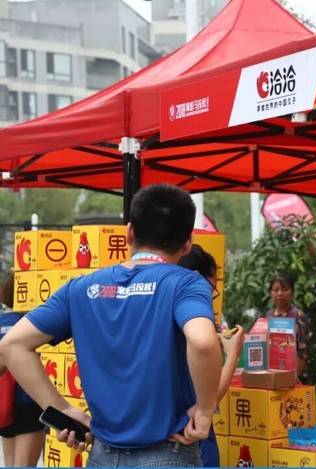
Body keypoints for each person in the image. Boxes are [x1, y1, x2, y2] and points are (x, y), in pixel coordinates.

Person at [0, 184, 222, 467]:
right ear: (188, 243)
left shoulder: (80, 288)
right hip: (169, 453)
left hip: (101, 455)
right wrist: (205, 410)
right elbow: (202, 341)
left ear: (129, 232)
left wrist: (61, 408)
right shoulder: (185, 284)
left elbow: (12, 345)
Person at [178, 244, 244, 467]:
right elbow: (211, 396)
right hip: (191, 439)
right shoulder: (197, 327)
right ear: (197, 280)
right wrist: (232, 355)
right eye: (212, 288)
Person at [0, 273, 45, 467]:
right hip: (29, 399)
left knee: (10, 464)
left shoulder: (1, 321)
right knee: (25, 465)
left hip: (3, 401)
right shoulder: (35, 323)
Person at [265, 274, 310, 381]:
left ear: (292, 292)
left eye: (285, 289)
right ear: (271, 293)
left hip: (295, 376)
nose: (280, 293)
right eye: (276, 290)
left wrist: (293, 378)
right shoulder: (268, 316)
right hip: (272, 374)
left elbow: (302, 351)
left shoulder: (298, 316)